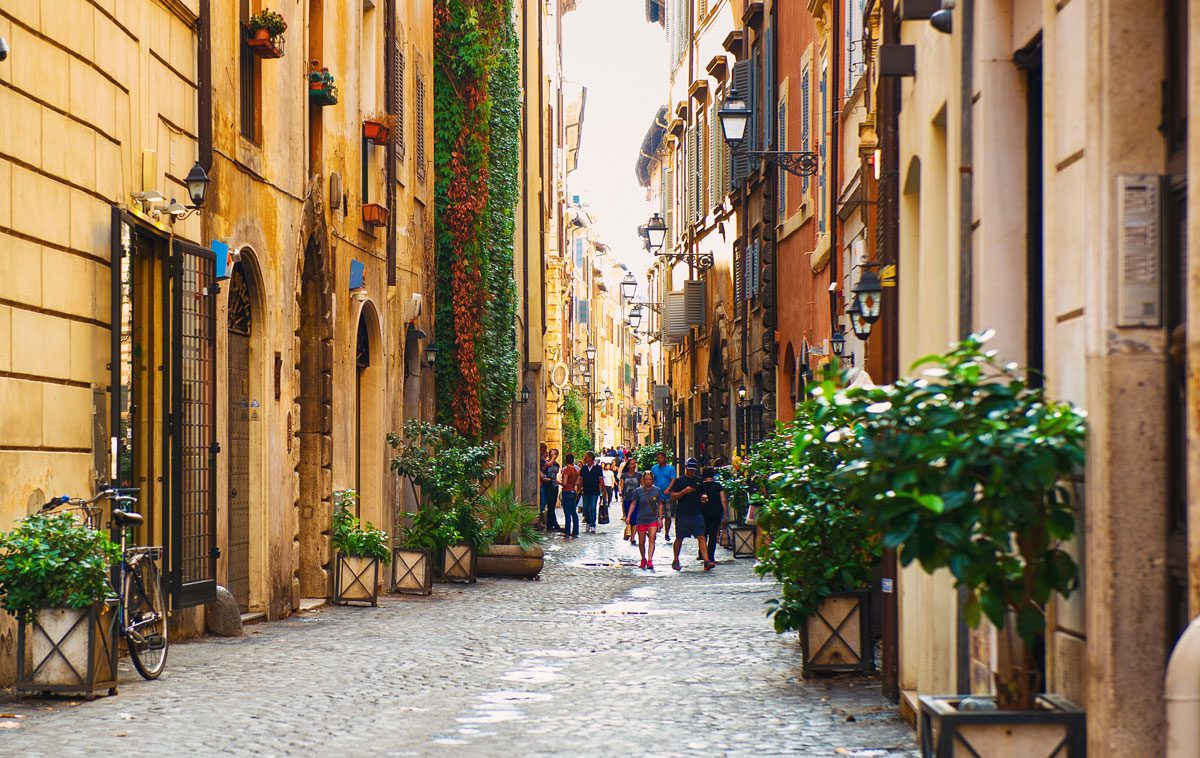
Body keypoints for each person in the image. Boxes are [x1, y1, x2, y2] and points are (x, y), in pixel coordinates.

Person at [667, 457, 713, 571]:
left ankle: (706, 560)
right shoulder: (679, 481)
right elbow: (672, 496)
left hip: (697, 512)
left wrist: (704, 498)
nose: (692, 472)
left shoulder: (699, 481)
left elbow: (703, 494)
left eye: (693, 470)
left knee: (701, 536)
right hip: (683, 514)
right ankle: (675, 560)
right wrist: (684, 492)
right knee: (679, 538)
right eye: (690, 469)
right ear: (686, 468)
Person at [627, 471, 663, 569]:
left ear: (652, 480)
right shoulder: (638, 491)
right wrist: (629, 516)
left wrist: (660, 518)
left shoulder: (657, 490)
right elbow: (633, 503)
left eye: (650, 479)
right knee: (641, 542)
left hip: (653, 518)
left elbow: (660, 504)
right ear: (643, 480)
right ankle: (643, 558)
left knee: (652, 538)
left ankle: (650, 560)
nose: (648, 481)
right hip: (641, 519)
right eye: (646, 479)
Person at [699, 466, 727, 565]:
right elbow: (723, 500)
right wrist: (725, 514)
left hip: (703, 511)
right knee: (713, 534)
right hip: (716, 512)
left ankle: (702, 553)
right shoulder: (718, 486)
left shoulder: (700, 486)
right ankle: (710, 556)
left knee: (703, 534)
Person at [650, 451, 677, 542]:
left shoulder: (670, 468)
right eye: (658, 458)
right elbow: (652, 479)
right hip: (656, 495)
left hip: (667, 495)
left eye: (661, 458)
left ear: (665, 458)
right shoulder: (654, 468)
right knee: (655, 514)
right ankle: (654, 532)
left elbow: (673, 479)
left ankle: (667, 533)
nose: (659, 459)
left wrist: (669, 488)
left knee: (668, 515)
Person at [578, 452, 603, 533]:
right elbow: (581, 479)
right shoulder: (584, 468)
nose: (585, 458)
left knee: (592, 507)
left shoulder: (598, 468)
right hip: (585, 491)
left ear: (591, 458)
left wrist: (603, 490)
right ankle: (588, 522)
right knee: (585, 508)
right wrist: (579, 488)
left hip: (595, 491)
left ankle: (592, 524)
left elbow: (601, 479)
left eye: (587, 457)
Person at [559, 453, 581, 538]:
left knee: (567, 512)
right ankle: (575, 531)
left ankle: (567, 532)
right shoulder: (575, 470)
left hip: (567, 492)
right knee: (573, 512)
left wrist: (559, 482)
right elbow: (577, 482)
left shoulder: (567, 470)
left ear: (566, 460)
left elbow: (564, 482)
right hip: (573, 491)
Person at [540, 449, 561, 532]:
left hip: (554, 486)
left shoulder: (557, 465)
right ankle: (554, 524)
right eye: (552, 453)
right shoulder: (546, 463)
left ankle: (550, 524)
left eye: (555, 453)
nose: (553, 455)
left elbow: (555, 474)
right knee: (549, 505)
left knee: (552, 506)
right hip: (547, 485)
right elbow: (544, 469)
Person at [620, 459, 641, 545]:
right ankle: (629, 532)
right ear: (628, 466)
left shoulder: (639, 475)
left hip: (636, 499)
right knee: (628, 517)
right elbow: (621, 485)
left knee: (635, 518)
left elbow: (642, 485)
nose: (633, 465)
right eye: (631, 464)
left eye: (634, 464)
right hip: (627, 498)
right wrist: (620, 492)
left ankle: (633, 537)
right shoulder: (624, 475)